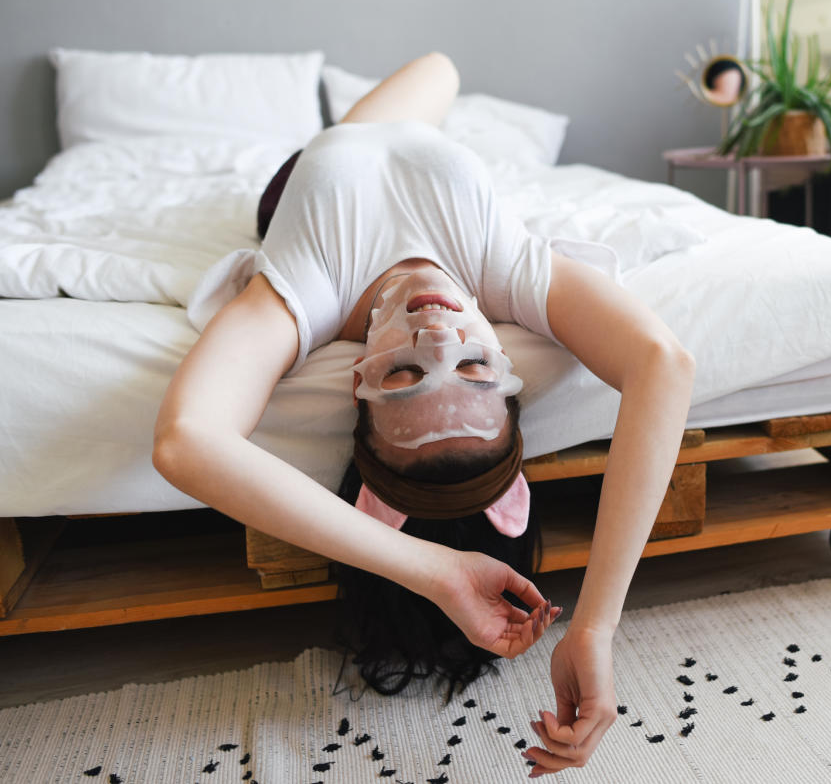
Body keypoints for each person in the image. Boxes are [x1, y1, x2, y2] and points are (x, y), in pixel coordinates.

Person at [153, 52, 695, 778]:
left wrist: (436, 571)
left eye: (405, 371)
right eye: (474, 364)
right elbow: (664, 363)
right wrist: (595, 626)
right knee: (442, 67)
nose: (438, 332)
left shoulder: (307, 286)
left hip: (299, 179)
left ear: (356, 381)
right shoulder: (502, 268)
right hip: (400, 133)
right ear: (506, 371)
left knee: (427, 76)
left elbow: (187, 438)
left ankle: (337, 137)